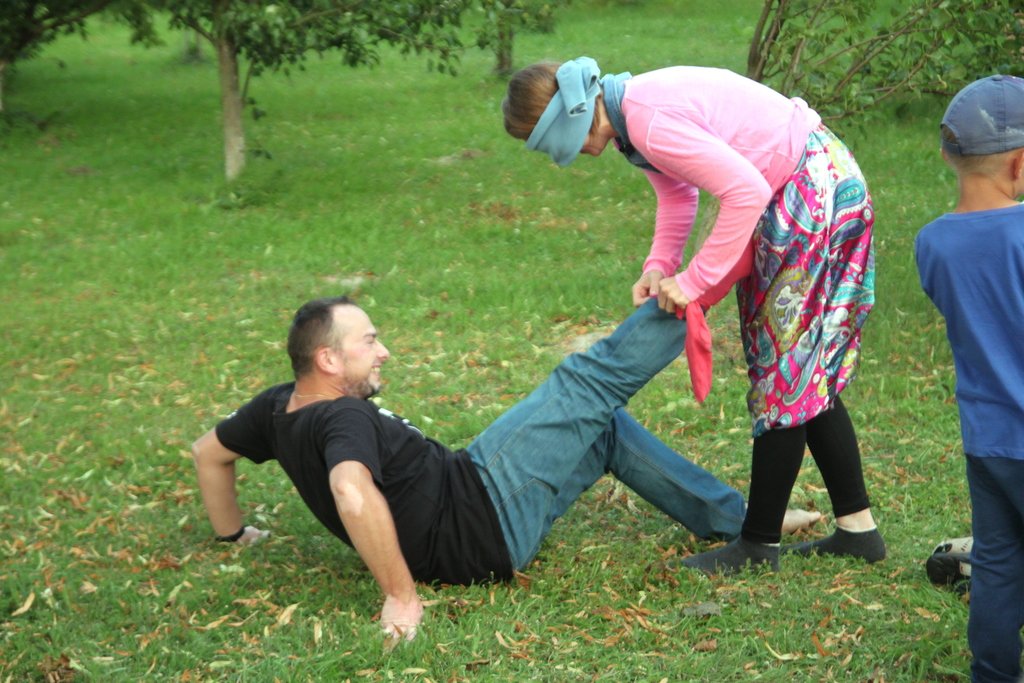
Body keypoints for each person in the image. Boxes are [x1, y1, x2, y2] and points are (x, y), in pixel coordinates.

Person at [193, 295, 820, 641]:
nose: (384, 351)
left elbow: (208, 453)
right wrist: (400, 598)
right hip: (482, 512)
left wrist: (233, 535)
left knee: (603, 429)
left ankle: (739, 519)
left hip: (470, 500)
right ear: (328, 360)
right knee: (586, 382)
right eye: (369, 341)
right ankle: (702, 287)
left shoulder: (279, 405)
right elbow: (351, 493)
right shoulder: (343, 419)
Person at [503, 57, 884, 575]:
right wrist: (659, 266)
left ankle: (757, 545)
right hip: (808, 181)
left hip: (810, 191)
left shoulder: (644, 118)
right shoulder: (629, 122)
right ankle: (859, 531)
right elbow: (678, 194)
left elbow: (745, 191)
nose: (557, 158)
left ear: (567, 119)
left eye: (547, 143)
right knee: (800, 368)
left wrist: (695, 281)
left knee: (785, 371)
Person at [914, 74, 1024, 683]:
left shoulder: (932, 245)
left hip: (987, 440)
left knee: (999, 561)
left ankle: (993, 673)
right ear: (1019, 163)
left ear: (946, 155)